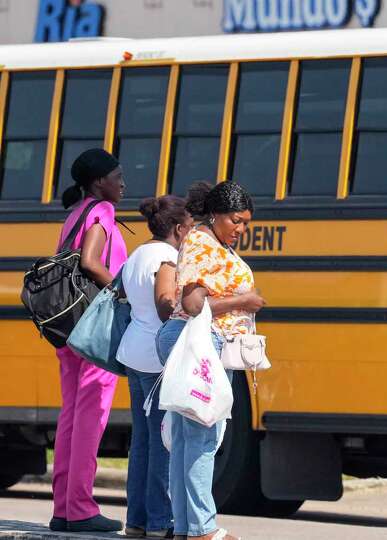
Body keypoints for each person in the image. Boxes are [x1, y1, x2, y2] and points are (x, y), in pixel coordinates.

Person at [156, 181, 264, 540]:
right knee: (203, 439)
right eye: (236, 220)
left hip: (202, 343)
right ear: (216, 214)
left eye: (246, 223)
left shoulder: (212, 242)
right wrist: (242, 302)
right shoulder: (203, 243)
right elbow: (191, 305)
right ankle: (202, 528)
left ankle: (186, 526)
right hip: (204, 343)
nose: (241, 229)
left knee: (187, 441)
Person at [50, 148, 127, 533]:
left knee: (72, 414)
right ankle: (80, 507)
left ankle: (64, 507)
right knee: (92, 415)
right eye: (117, 176)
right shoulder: (101, 211)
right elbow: (91, 262)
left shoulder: (73, 213)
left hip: (68, 328)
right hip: (94, 329)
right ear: (99, 182)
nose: (122, 183)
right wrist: (125, 291)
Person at [116, 196, 195, 538]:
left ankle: (136, 520)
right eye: (191, 228)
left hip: (133, 352)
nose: (193, 234)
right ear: (179, 228)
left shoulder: (137, 254)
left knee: (143, 442)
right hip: (155, 359)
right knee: (163, 441)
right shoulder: (166, 258)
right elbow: (166, 309)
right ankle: (160, 521)